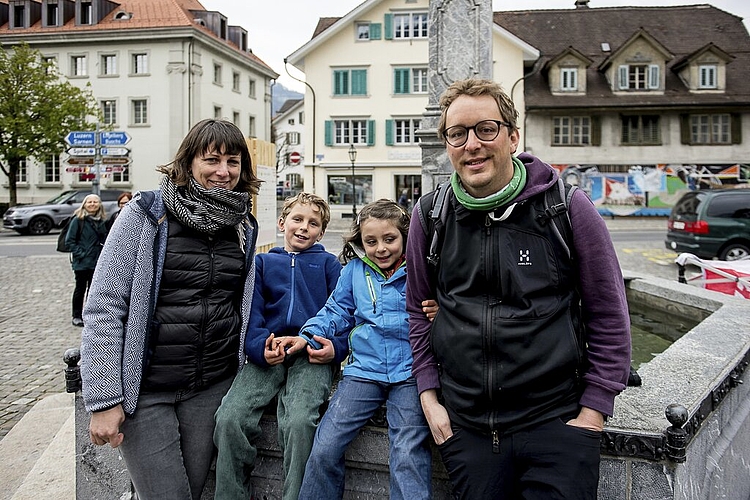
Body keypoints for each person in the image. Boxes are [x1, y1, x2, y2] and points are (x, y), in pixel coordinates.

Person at [405, 78, 631, 499]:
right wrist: (429, 396)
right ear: (447, 144)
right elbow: (418, 310)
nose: (472, 144)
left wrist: (594, 410)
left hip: (555, 424)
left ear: (512, 136)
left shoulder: (565, 207)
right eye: (457, 133)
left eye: (486, 129)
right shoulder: (429, 215)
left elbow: (609, 312)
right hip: (468, 429)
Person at [79, 118, 261, 500]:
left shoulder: (242, 224)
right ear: (189, 162)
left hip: (209, 387)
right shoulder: (147, 213)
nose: (223, 172)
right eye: (212, 160)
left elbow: (238, 303)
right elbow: (105, 306)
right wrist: (103, 400)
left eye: (233, 162)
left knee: (189, 493)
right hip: (147, 391)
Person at [296, 199, 433, 500]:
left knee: (408, 453)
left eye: (389, 239)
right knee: (324, 447)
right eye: (371, 241)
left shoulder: (421, 267)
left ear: (406, 237)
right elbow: (335, 311)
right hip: (363, 373)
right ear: (360, 242)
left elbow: (443, 307)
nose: (381, 248)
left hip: (411, 372)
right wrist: (308, 335)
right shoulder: (355, 271)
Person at [213, 192, 343, 500]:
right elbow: (251, 312)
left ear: (321, 233)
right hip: (270, 352)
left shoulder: (329, 264)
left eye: (313, 223)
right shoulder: (262, 262)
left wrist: (334, 348)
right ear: (282, 223)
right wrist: (259, 347)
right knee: (230, 417)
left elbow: (342, 313)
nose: (303, 228)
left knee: (299, 421)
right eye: (297, 219)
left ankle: (297, 495)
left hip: (311, 355)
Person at [66, 194, 108, 327]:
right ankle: (76, 315)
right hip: (82, 263)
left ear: (99, 205)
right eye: (89, 202)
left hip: (97, 261)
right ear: (84, 204)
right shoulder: (78, 220)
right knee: (80, 289)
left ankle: (90, 314)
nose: (92, 204)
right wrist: (82, 254)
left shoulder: (101, 221)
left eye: (95, 202)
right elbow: (70, 241)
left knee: (93, 290)